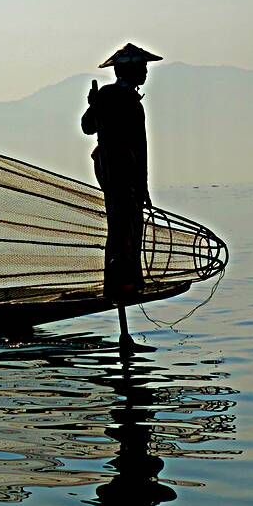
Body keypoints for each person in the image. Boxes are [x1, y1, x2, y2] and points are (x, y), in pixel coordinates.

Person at [81, 43, 162, 342]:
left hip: (110, 170)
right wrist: (142, 186)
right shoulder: (126, 101)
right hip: (120, 172)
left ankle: (120, 283)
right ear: (129, 71)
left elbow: (87, 127)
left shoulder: (108, 96)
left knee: (119, 227)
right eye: (142, 68)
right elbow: (138, 148)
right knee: (125, 227)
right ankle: (124, 284)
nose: (145, 73)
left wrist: (94, 105)